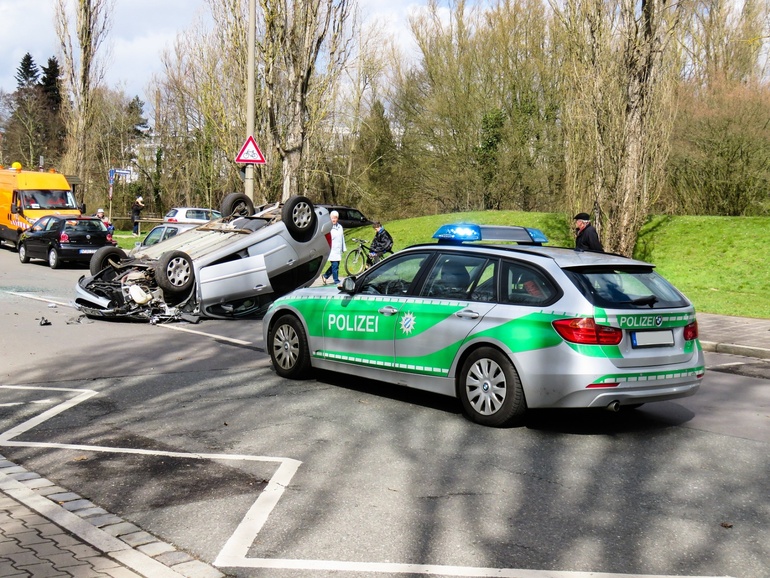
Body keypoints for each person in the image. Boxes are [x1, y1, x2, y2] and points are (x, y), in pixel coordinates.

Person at [322, 210, 346, 286]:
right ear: (330, 218)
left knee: (335, 265)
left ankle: (325, 276)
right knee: (335, 266)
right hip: (331, 250)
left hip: (338, 250)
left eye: (335, 218)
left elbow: (342, 238)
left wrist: (343, 248)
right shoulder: (328, 228)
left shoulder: (340, 227)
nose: (334, 219)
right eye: (332, 218)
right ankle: (336, 280)